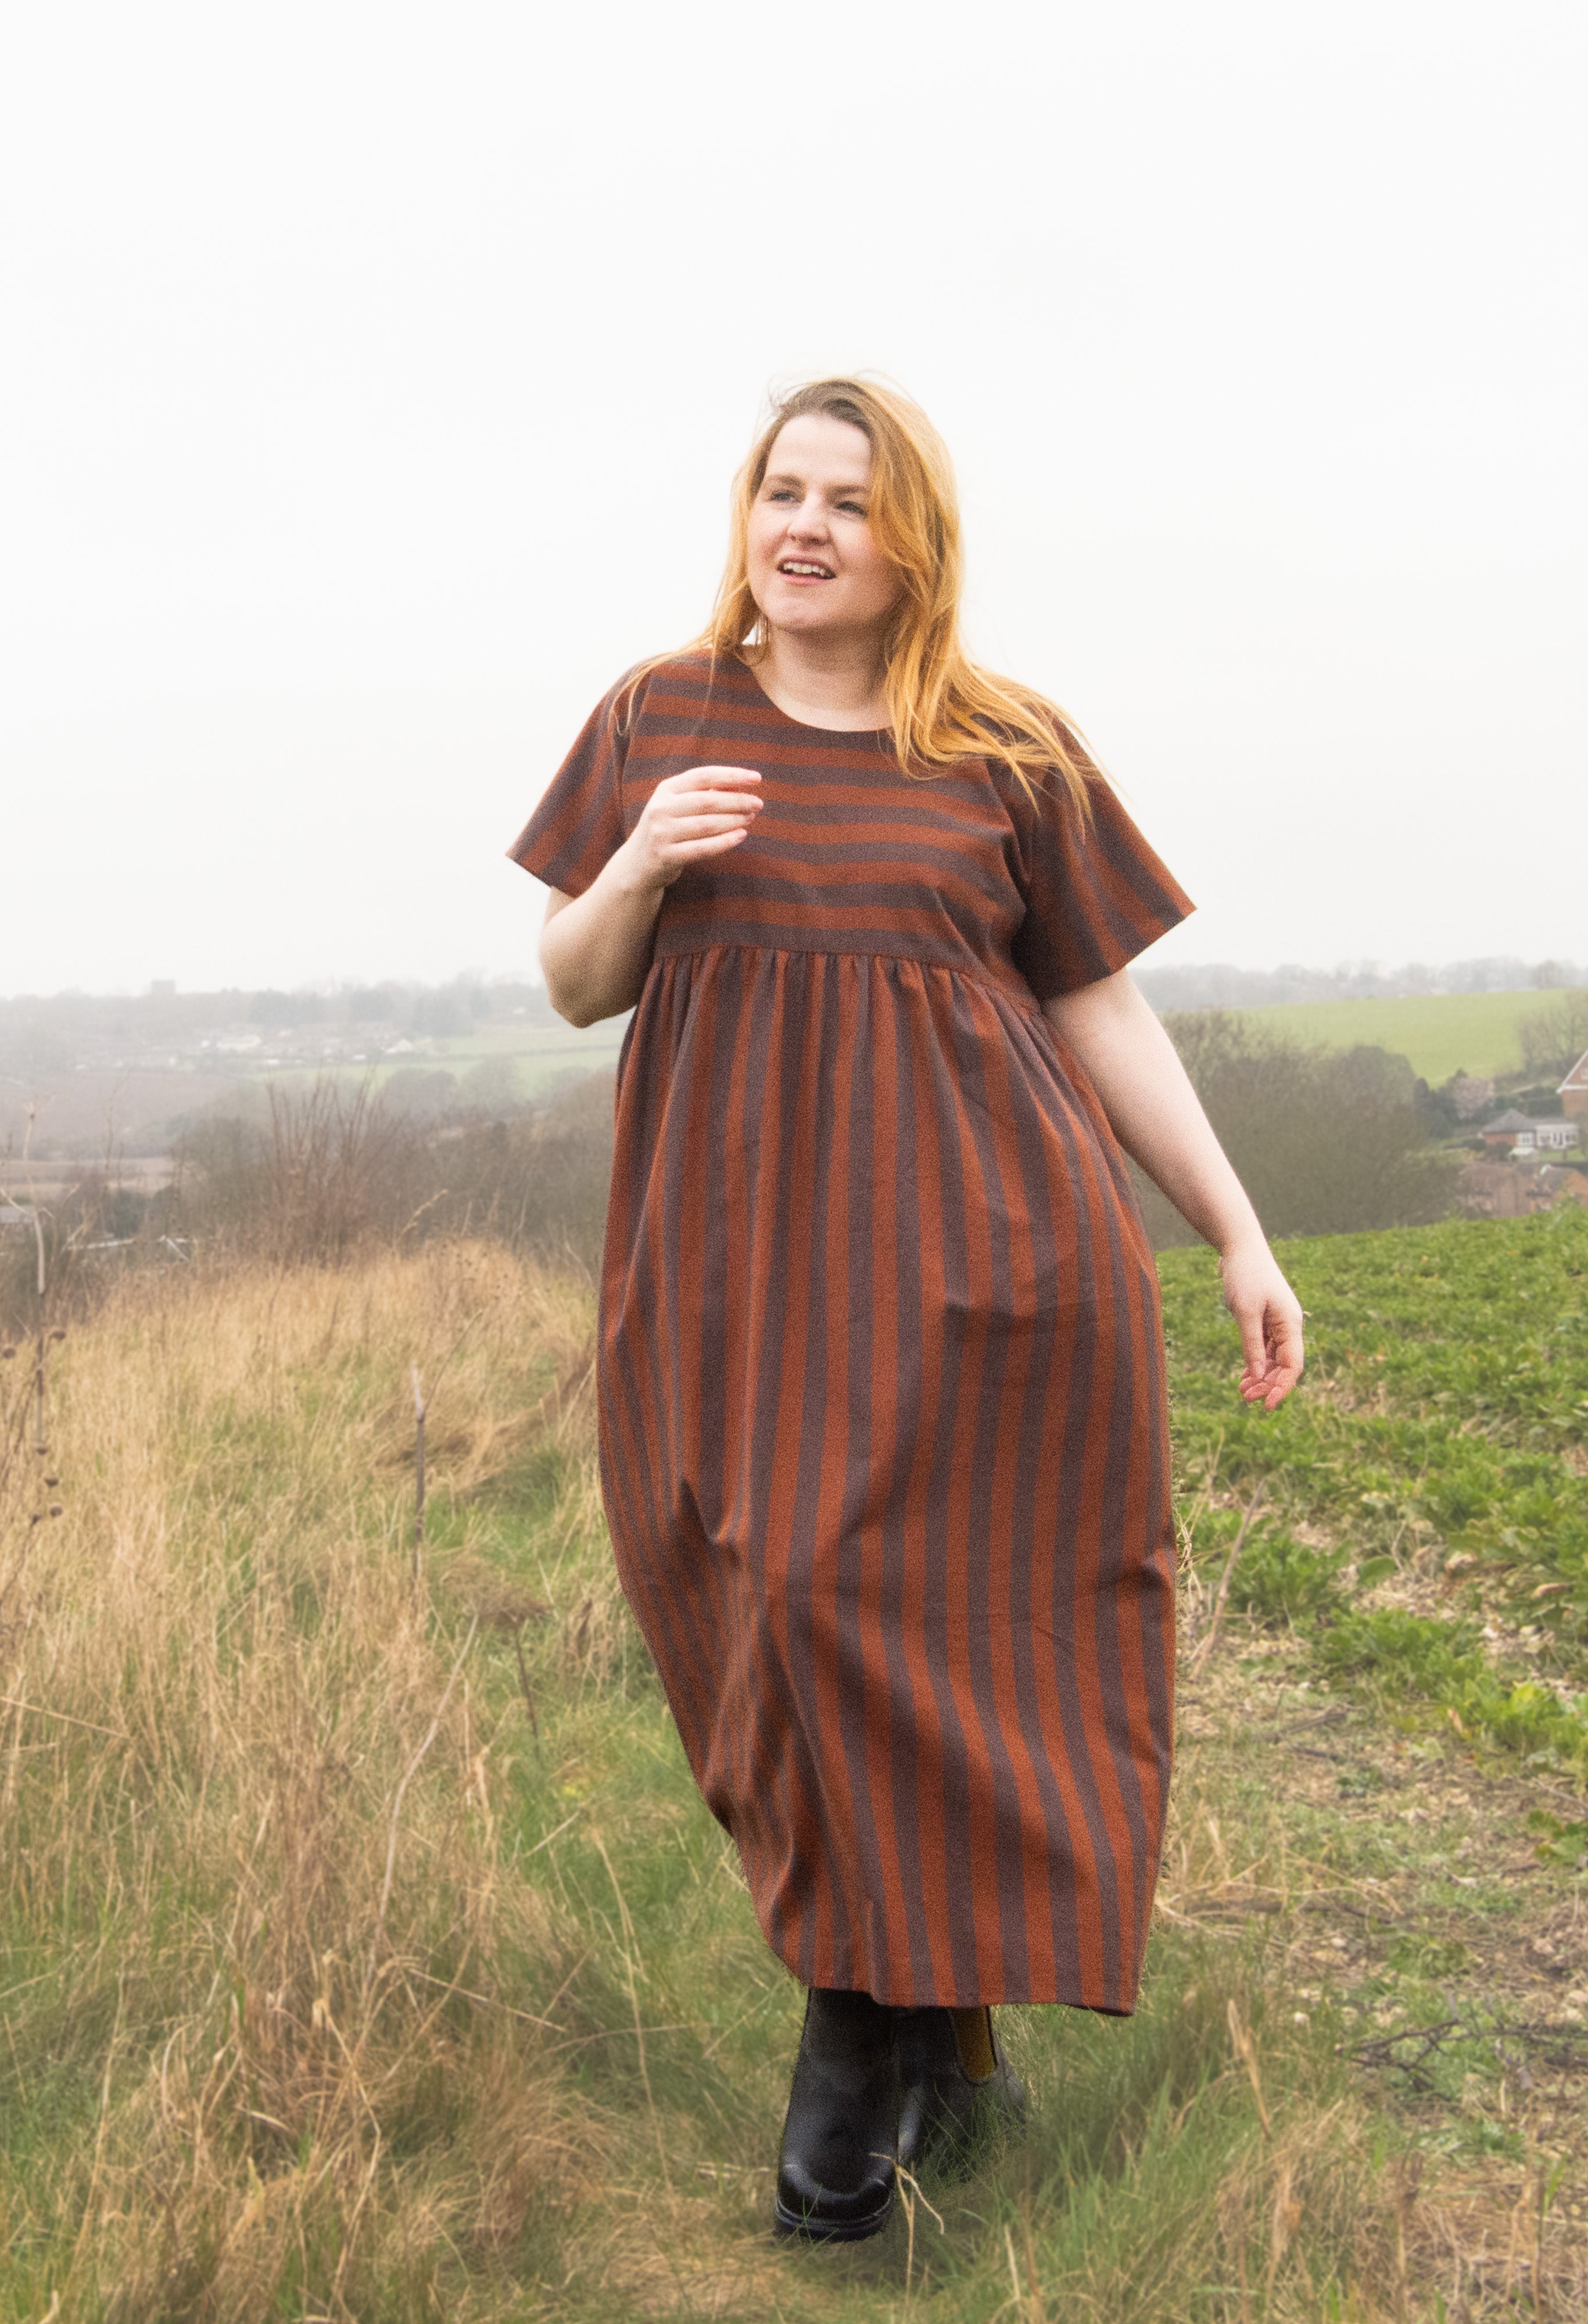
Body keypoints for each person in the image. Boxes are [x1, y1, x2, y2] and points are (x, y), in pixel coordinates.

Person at [510, 376, 1304, 2243]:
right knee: (779, 1609)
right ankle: (944, 2036)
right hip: (736, 1275)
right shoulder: (657, 716)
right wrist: (641, 861)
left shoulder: (1006, 750)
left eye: (849, 503)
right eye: (781, 492)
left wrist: (1236, 1231)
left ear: (914, 541)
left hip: (994, 1270)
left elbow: (1096, 1003)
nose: (805, 527)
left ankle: (855, 2056)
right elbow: (573, 984)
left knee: (957, 1638)